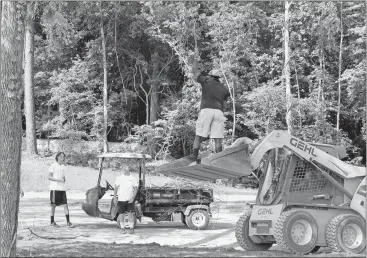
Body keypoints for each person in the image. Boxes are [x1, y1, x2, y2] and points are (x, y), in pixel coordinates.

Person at [191, 50, 231, 164]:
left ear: (210, 75)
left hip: (206, 110)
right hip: (219, 112)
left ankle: (194, 160)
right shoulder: (224, 88)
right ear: (219, 77)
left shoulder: (206, 81)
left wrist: (195, 59)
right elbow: (225, 104)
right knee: (218, 138)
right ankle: (218, 162)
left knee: (199, 135)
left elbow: (194, 72)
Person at [48, 152, 74, 227]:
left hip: (62, 189)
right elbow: (49, 177)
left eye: (64, 156)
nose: (63, 158)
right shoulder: (53, 166)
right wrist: (59, 180)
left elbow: (63, 177)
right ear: (58, 157)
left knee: (65, 205)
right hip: (54, 189)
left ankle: (68, 222)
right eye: (62, 156)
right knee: (53, 206)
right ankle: (52, 222)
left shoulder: (63, 167)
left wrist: (63, 179)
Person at [113, 169, 138, 233]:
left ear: (129, 170)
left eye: (126, 169)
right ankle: (122, 228)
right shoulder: (119, 178)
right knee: (121, 214)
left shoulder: (133, 178)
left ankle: (131, 228)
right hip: (121, 199)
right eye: (124, 169)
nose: (125, 170)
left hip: (130, 200)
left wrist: (133, 197)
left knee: (130, 214)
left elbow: (135, 189)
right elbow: (115, 188)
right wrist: (115, 197)